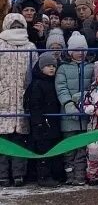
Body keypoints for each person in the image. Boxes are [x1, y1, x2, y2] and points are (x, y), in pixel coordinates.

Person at [0, 13, 36, 187]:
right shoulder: (0, 45)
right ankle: (3, 175)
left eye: (18, 27)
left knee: (20, 140)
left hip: (22, 99)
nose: (15, 30)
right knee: (3, 141)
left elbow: (34, 71)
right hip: (3, 98)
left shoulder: (30, 46)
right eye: (12, 27)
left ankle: (19, 174)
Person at [55, 31, 94, 185]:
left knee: (82, 148)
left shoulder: (91, 66)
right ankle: (69, 174)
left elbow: (93, 85)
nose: (80, 53)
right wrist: (68, 103)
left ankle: (80, 175)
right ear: (70, 52)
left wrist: (83, 98)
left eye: (83, 50)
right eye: (76, 50)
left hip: (85, 113)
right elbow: (61, 87)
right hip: (68, 114)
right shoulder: (63, 68)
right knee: (69, 147)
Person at [26, 51, 62, 187]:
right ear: (41, 68)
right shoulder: (37, 84)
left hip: (53, 122)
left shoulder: (53, 82)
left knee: (54, 148)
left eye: (53, 65)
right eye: (48, 66)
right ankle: (43, 176)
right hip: (42, 123)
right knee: (43, 151)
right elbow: (35, 106)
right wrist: (39, 123)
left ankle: (54, 174)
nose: (52, 68)